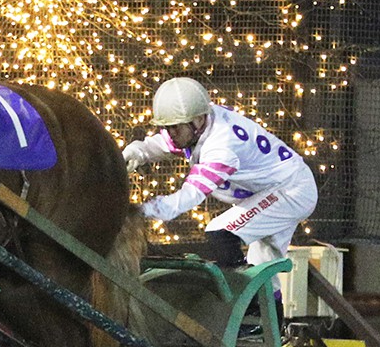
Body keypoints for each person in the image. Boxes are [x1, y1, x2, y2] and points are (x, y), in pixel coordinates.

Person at [122, 77, 318, 327]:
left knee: (221, 232)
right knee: (263, 266)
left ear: (197, 121)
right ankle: (268, 329)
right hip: (281, 186)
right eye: (167, 127)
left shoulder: (221, 147)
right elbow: (165, 143)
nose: (171, 134)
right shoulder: (203, 119)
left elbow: (188, 197)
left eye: (175, 128)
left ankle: (242, 312)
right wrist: (138, 151)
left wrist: (140, 210)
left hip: (291, 191)